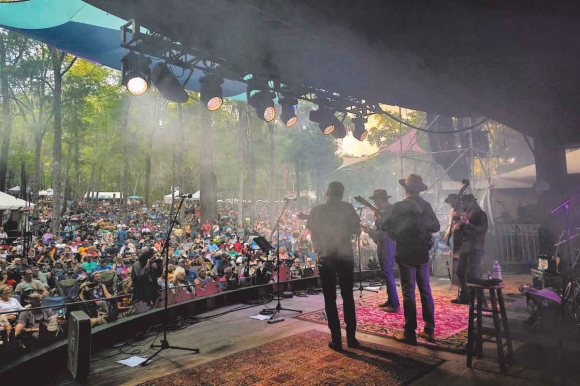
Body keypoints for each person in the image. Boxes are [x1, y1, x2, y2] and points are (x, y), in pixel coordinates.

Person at [382, 174, 440, 345]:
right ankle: (429, 330)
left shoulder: (399, 206)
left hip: (406, 253)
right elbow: (436, 226)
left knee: (408, 293)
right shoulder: (425, 205)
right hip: (422, 252)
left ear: (405, 189)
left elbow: (384, 225)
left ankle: (409, 333)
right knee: (425, 291)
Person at [307, 181, 361, 351]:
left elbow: (313, 234)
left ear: (327, 193)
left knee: (329, 299)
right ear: (342, 194)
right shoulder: (348, 208)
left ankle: (336, 340)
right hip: (345, 256)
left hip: (326, 257)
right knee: (348, 297)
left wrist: (321, 244)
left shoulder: (317, 210)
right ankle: (351, 338)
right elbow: (358, 231)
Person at [366, 189, 400, 313]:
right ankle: (391, 300)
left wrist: (369, 232)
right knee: (387, 274)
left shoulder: (387, 212)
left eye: (376, 200)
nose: (375, 203)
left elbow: (383, 233)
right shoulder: (387, 211)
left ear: (380, 200)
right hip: (387, 244)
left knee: (388, 274)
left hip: (387, 245)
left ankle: (394, 303)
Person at [452, 194, 488, 304]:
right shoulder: (468, 214)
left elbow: (481, 230)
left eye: (464, 203)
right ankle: (465, 296)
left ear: (471, 202)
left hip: (476, 246)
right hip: (466, 246)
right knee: (460, 271)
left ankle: (482, 301)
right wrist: (458, 226)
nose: (463, 205)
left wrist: (468, 223)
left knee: (474, 274)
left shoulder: (481, 214)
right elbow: (465, 229)